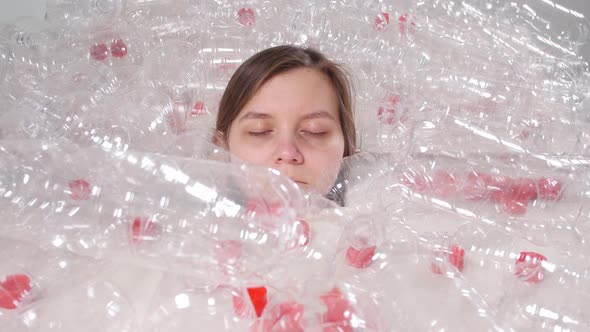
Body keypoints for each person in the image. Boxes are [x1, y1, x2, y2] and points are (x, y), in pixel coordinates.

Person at [214, 45, 356, 205]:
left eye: (315, 131)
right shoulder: (185, 228)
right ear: (220, 149)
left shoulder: (383, 226)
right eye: (259, 131)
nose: (288, 153)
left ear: (346, 150)